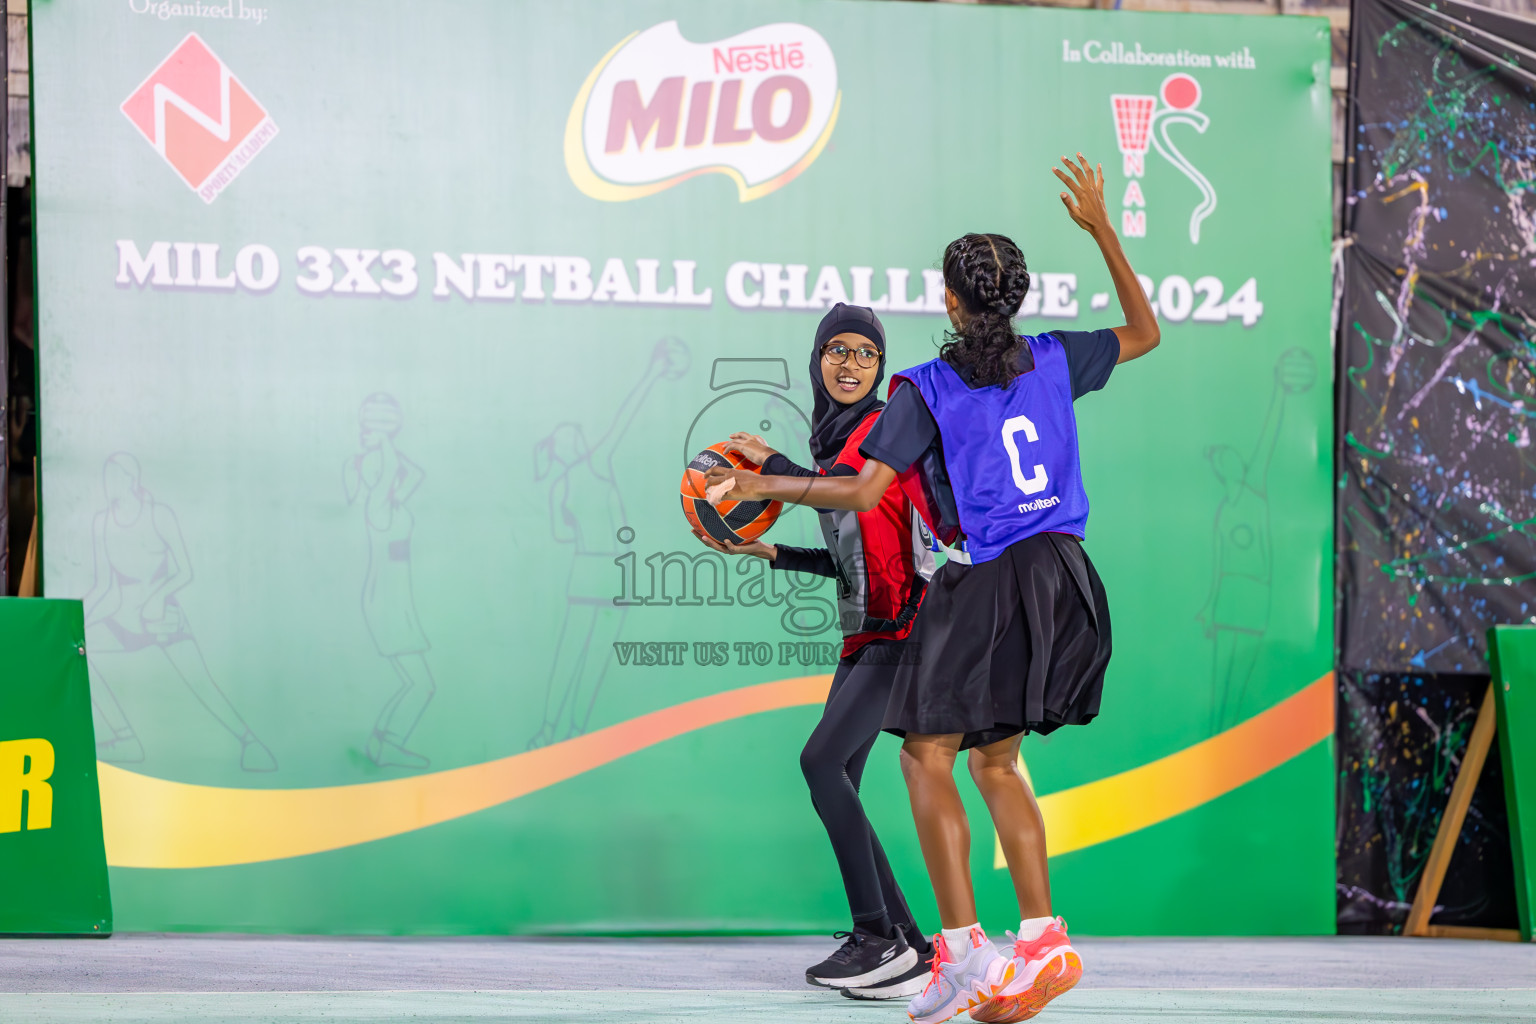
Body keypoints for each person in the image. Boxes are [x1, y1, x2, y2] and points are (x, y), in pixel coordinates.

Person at [703, 155, 1160, 1024]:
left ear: (951, 302)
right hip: (1070, 576)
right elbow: (1145, 331)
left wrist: (769, 487)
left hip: (990, 578)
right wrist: (1101, 226)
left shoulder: (930, 386)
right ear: (1015, 299)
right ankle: (1043, 938)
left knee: (924, 756)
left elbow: (861, 491)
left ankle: (957, 956)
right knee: (1000, 760)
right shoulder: (1060, 357)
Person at [695, 303, 938, 1000]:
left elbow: (855, 501)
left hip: (911, 629)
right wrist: (771, 550)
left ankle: (875, 938)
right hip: (869, 634)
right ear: (817, 360)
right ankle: (912, 948)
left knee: (820, 762)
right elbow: (851, 553)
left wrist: (771, 474)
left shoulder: (885, 428)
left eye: (867, 352)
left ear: (881, 365)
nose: (852, 363)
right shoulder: (838, 443)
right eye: (838, 349)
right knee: (840, 780)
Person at [82, 452, 277, 772]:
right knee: (82, 652)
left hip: (162, 619)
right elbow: (103, 587)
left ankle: (249, 742)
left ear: (132, 481)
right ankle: (124, 738)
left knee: (200, 683)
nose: (108, 483)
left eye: (115, 476)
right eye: (106, 476)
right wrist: (79, 621)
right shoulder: (101, 522)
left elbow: (185, 570)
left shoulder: (158, 515)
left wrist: (158, 596)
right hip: (122, 619)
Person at [344, 394, 436, 769]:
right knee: (423, 685)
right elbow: (390, 473)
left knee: (412, 681)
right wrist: (382, 439)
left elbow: (415, 474)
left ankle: (380, 744)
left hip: (392, 599)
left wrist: (384, 438)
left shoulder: (392, 504)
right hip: (388, 602)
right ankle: (391, 745)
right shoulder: (378, 506)